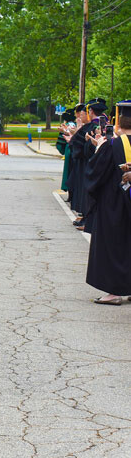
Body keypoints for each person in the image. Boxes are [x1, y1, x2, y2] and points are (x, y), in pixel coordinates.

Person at [85, 101, 131, 305]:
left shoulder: (113, 145)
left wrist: (98, 148)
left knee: (114, 246)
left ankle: (114, 292)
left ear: (119, 124)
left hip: (115, 204)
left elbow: (95, 174)